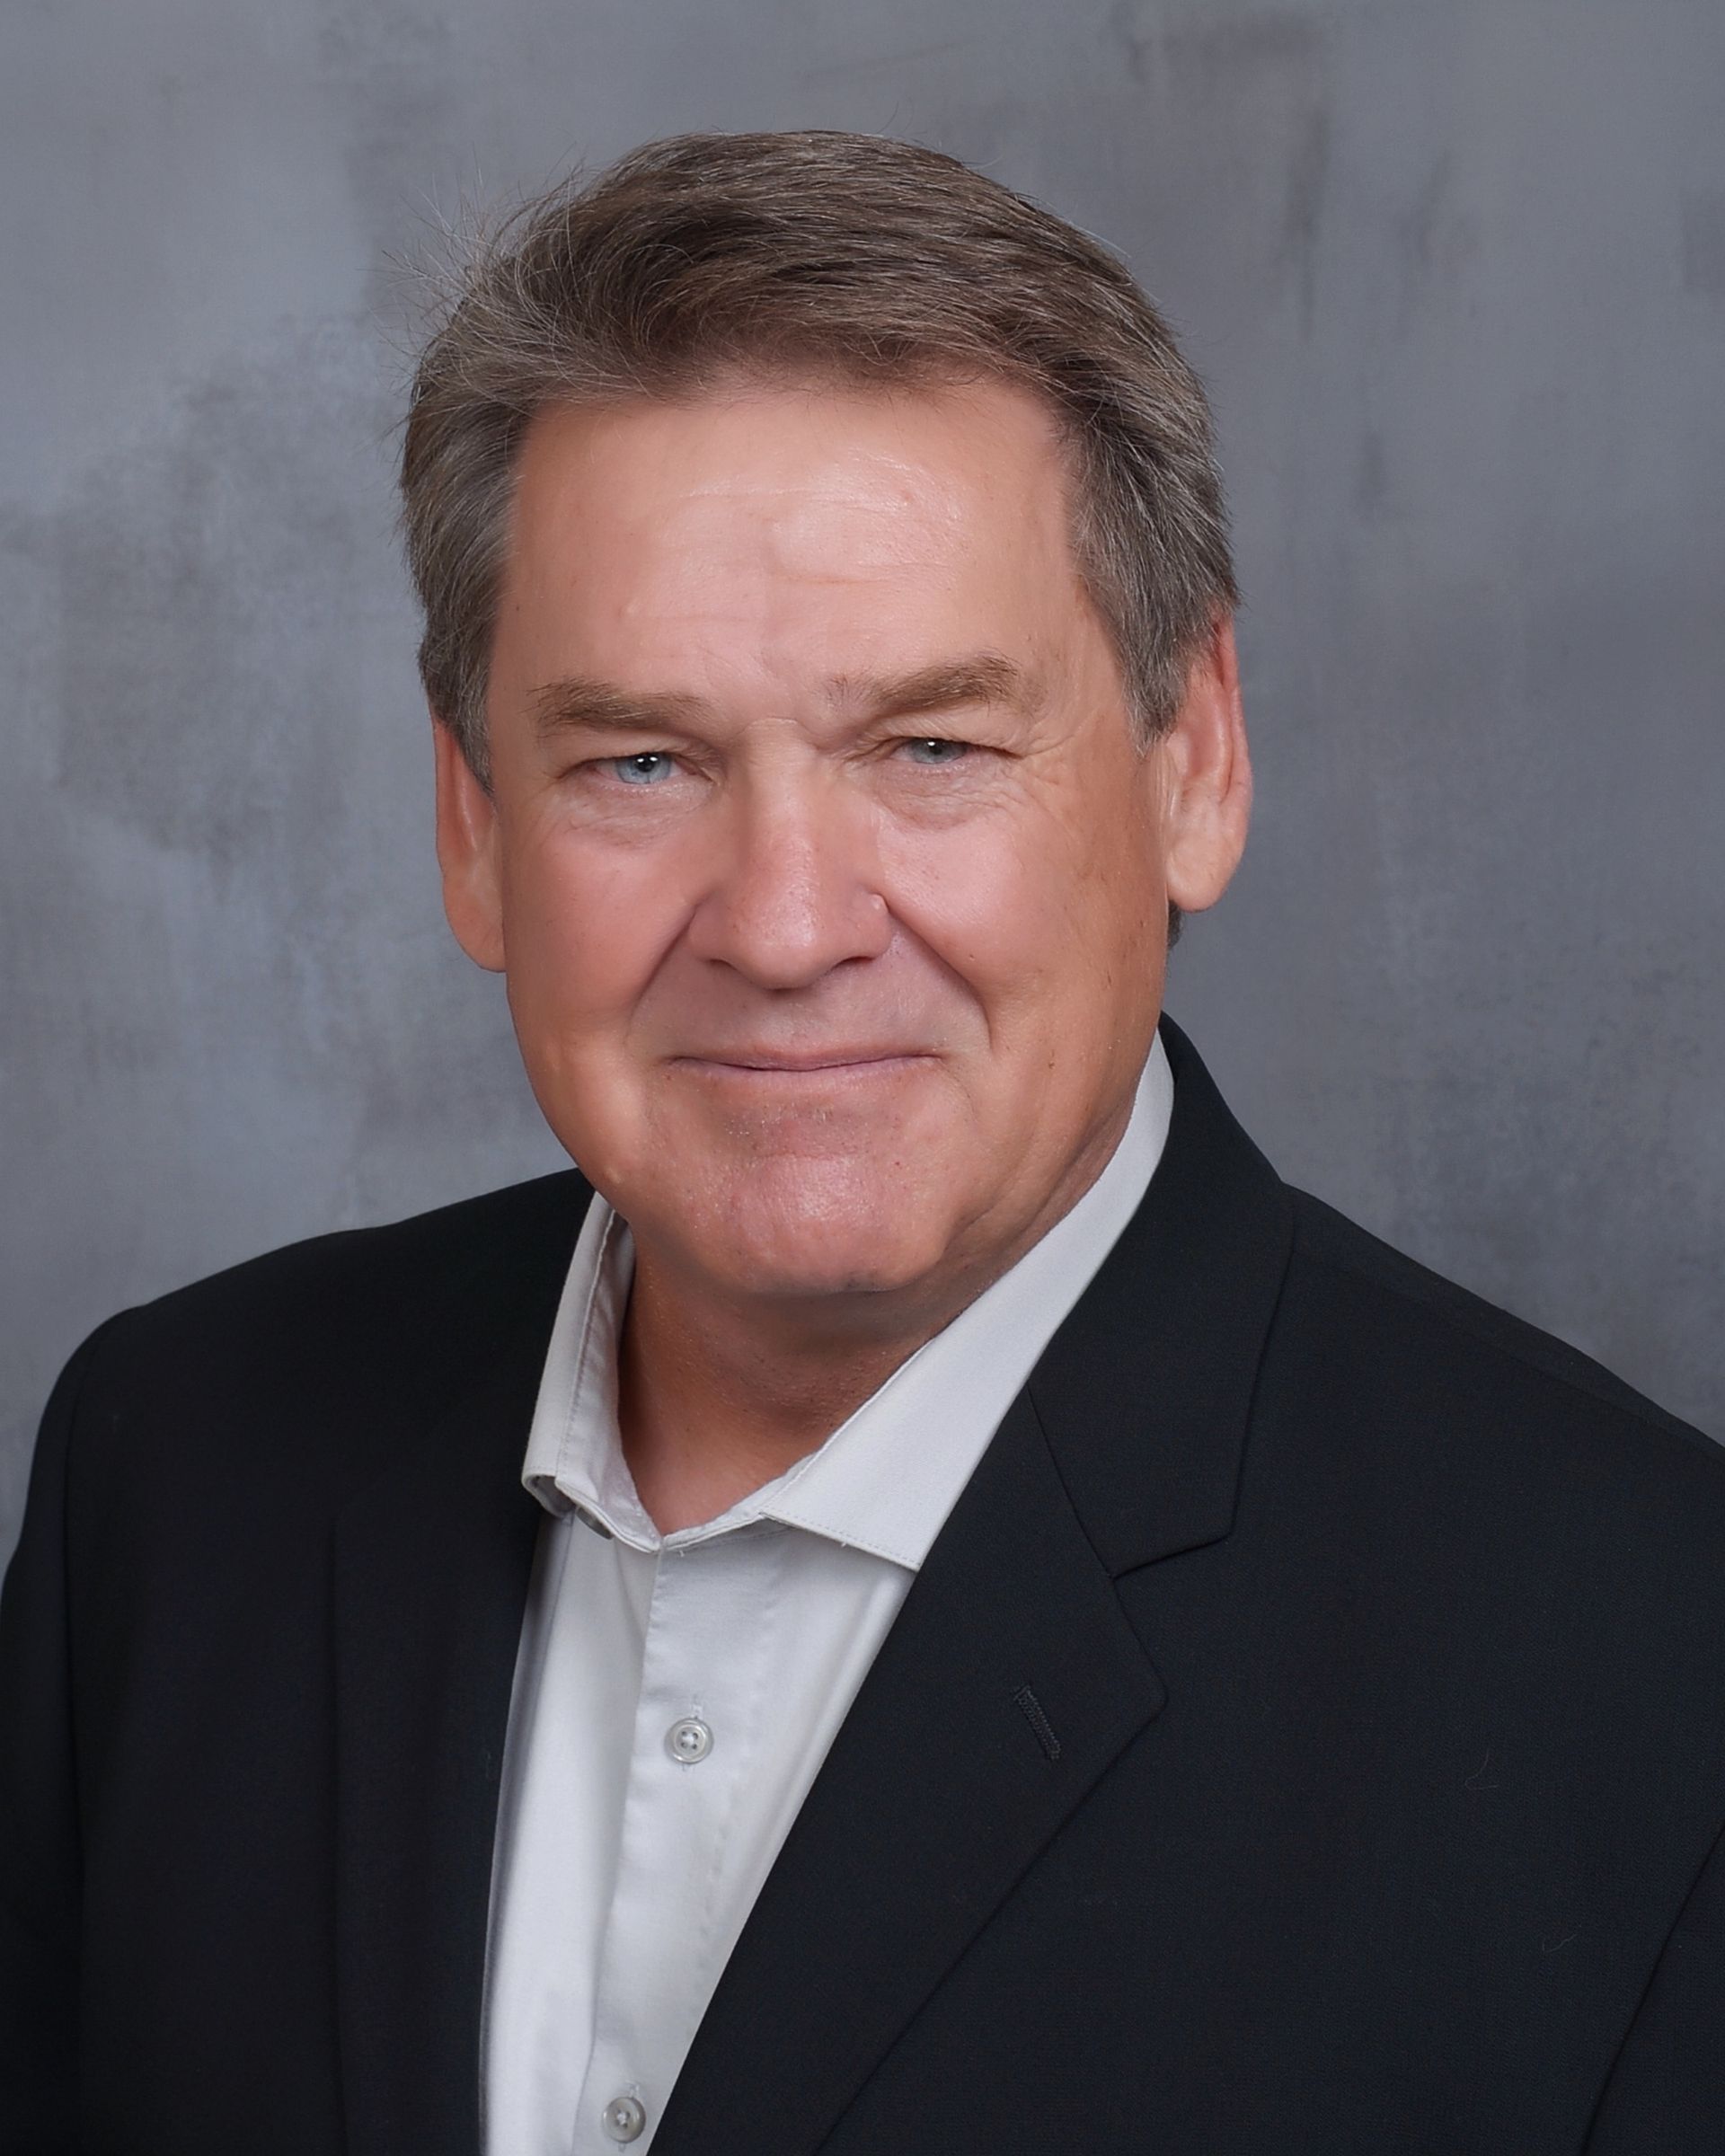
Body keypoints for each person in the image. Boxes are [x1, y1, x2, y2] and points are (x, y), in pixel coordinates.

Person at [2, 128, 1721, 2156]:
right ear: (473, 826)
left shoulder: (1648, 1675)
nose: (788, 923)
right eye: (640, 759)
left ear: (1201, 761)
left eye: (931, 748)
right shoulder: (172, 1474)